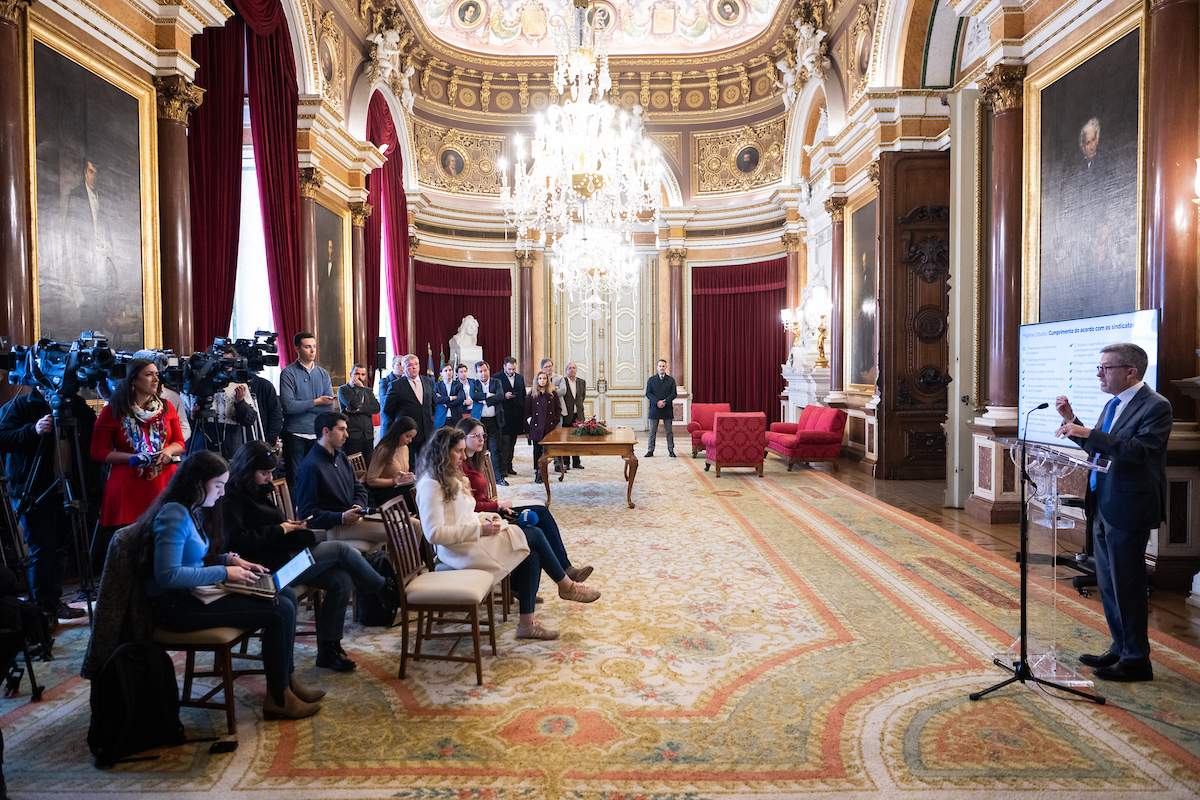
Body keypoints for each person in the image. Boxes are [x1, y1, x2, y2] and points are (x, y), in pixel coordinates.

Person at [126, 449, 321, 720]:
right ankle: (279, 697)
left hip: (195, 594)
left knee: (284, 594)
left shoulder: (189, 509)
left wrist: (230, 559)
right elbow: (167, 576)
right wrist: (224, 572)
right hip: (175, 607)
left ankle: (286, 683)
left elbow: (193, 558)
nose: (222, 493)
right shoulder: (173, 515)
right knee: (279, 609)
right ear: (197, 483)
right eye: (218, 485)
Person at [1055, 342, 1171, 683]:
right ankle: (1121, 647)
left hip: (1130, 505)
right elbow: (1099, 444)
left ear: (1130, 371)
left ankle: (1137, 659)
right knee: (1108, 582)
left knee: (1128, 583)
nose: (1099, 373)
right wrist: (1072, 423)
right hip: (1104, 503)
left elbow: (1140, 451)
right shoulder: (1112, 404)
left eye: (1105, 367)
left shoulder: (1156, 406)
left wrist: (1090, 433)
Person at [414, 428, 598, 642]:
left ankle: (527, 625)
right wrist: (479, 529)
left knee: (531, 552)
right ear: (442, 452)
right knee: (534, 536)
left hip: (472, 539)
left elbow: (464, 513)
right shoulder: (430, 484)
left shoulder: (448, 476)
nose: (464, 457)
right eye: (458, 451)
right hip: (460, 551)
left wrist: (486, 517)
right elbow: (434, 534)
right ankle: (567, 586)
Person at [224, 442, 389, 673]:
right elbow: (237, 541)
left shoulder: (255, 489)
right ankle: (383, 588)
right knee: (341, 550)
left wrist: (288, 527)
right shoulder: (231, 496)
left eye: (272, 473)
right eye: (264, 473)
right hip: (267, 568)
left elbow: (267, 526)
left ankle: (329, 651)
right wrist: (281, 529)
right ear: (246, 470)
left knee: (340, 580)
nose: (270, 478)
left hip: (283, 554)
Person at [0, 386, 97, 622]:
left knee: (60, 549)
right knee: (41, 550)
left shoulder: (74, 404)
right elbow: (3, 438)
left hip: (69, 487)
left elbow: (93, 432)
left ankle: (53, 603)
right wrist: (32, 430)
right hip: (34, 490)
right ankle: (43, 610)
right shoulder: (21, 405)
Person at [455, 417, 592, 583]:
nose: (481, 439)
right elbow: (470, 505)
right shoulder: (459, 466)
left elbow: (480, 497)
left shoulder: (473, 460)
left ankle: (562, 570)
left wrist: (498, 507)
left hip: (490, 510)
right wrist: (497, 506)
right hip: (483, 517)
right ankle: (565, 571)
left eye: (483, 435)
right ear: (462, 437)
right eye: (475, 435)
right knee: (539, 517)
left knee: (540, 513)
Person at [90, 359, 186, 530]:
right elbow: (98, 452)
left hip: (164, 484)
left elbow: (179, 442)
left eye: (157, 374)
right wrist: (134, 458)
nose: (156, 379)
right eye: (149, 375)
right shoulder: (113, 410)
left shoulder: (167, 407)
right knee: (131, 547)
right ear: (132, 380)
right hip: (129, 488)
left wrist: (168, 450)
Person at [294, 412, 387, 549]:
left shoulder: (341, 457)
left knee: (414, 524)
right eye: (341, 429)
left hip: (352, 519)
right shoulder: (311, 466)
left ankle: (397, 569)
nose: (347, 434)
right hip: (333, 527)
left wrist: (358, 506)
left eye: (346, 429)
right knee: (402, 530)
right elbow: (306, 513)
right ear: (326, 431)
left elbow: (359, 488)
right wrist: (341, 517)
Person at [279, 332, 336, 487]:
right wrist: (317, 401)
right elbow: (289, 406)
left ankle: (314, 511)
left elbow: (329, 406)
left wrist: (303, 405)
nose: (312, 351)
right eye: (307, 347)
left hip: (316, 433)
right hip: (295, 434)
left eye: (314, 346)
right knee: (296, 479)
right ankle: (296, 511)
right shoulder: (288, 373)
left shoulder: (323, 374)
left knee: (317, 478)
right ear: (297, 349)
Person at [184, 345, 259, 459]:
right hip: (200, 445)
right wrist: (192, 416)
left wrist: (240, 402)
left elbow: (249, 420)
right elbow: (181, 425)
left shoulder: (239, 384)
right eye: (221, 364)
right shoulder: (196, 384)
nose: (225, 368)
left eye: (229, 364)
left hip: (230, 447)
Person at [382, 354, 435, 462]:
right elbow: (388, 410)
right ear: (404, 368)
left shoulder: (428, 382)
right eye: (410, 365)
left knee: (426, 465)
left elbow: (433, 405)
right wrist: (401, 423)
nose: (414, 367)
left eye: (416, 364)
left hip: (427, 432)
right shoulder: (395, 385)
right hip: (407, 433)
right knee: (408, 466)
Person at [365, 416, 418, 507]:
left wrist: (408, 477)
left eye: (411, 437)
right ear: (398, 433)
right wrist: (395, 481)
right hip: (383, 492)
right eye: (407, 436)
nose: (410, 440)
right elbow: (371, 481)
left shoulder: (405, 448)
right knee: (413, 494)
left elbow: (401, 473)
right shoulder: (383, 450)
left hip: (398, 488)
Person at [470, 361, 507, 483]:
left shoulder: (497, 382)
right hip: (479, 422)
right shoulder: (474, 383)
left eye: (485, 370)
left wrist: (485, 400)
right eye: (480, 371)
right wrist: (489, 395)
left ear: (489, 370)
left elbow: (500, 396)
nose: (483, 373)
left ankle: (498, 477)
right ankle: (480, 476)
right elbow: (474, 396)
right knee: (480, 450)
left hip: (495, 421)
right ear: (477, 373)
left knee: (496, 450)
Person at [338, 363, 380, 464]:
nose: (360, 377)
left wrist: (359, 410)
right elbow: (353, 405)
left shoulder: (368, 390)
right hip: (352, 434)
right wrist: (360, 389)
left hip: (367, 434)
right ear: (351, 374)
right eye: (357, 374)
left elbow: (376, 408)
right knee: (353, 466)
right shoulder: (343, 389)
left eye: (363, 374)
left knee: (368, 464)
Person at [525, 371, 561, 484]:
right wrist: (531, 421)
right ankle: (537, 471)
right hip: (537, 427)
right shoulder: (531, 394)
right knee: (537, 450)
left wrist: (554, 421)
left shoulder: (552, 394)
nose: (542, 380)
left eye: (544, 378)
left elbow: (557, 410)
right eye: (540, 378)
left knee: (547, 451)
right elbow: (527, 412)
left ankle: (544, 471)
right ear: (537, 380)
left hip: (548, 426)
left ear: (547, 380)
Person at [497, 357, 526, 477]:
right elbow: (495, 396)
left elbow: (523, 395)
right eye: (509, 369)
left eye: (514, 369)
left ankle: (509, 466)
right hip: (504, 416)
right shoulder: (496, 378)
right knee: (504, 444)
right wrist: (504, 396)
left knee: (512, 443)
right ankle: (502, 469)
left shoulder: (520, 378)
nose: (511, 371)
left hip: (516, 416)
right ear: (504, 366)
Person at [553, 362, 586, 469]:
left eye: (574, 368)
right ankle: (566, 462)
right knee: (566, 439)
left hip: (578, 414)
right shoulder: (563, 382)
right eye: (570, 368)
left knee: (577, 439)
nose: (572, 370)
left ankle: (577, 462)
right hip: (567, 414)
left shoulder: (582, 382)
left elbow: (582, 397)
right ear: (566, 370)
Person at [645, 358, 677, 457]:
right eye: (660, 366)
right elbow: (648, 393)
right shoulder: (651, 380)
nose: (661, 368)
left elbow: (674, 393)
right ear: (657, 367)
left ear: (666, 367)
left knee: (669, 432)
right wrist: (657, 402)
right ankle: (650, 450)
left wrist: (665, 401)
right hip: (654, 409)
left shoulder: (671, 380)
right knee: (652, 431)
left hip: (667, 409)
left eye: (663, 366)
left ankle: (671, 450)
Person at [378, 355, 406, 434]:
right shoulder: (384, 381)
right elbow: (384, 401)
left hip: (404, 421)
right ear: (393, 366)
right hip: (390, 422)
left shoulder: (407, 381)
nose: (402, 367)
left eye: (404, 364)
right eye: (399, 364)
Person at [433, 363, 465, 428]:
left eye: (450, 370)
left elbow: (460, 399)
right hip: (441, 419)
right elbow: (436, 400)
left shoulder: (458, 385)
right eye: (446, 371)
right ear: (441, 373)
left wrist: (446, 404)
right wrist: (451, 398)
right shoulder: (437, 385)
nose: (448, 372)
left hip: (455, 418)